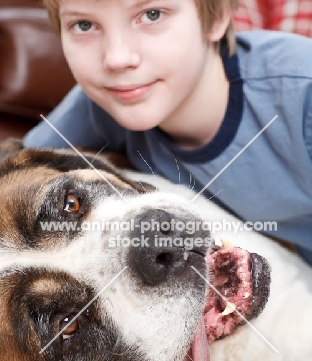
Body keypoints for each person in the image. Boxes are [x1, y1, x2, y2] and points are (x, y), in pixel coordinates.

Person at [23, 0, 312, 266]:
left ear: (217, 18)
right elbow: (13, 168)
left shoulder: (302, 97)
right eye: (84, 25)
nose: (116, 58)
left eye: (152, 15)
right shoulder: (104, 102)